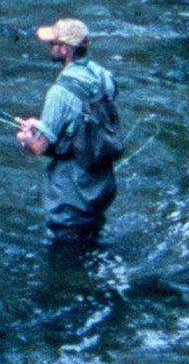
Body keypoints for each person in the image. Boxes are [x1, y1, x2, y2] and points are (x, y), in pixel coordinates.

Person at [16, 17, 123, 249]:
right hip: (102, 182)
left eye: (53, 42)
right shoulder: (103, 75)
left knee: (68, 249)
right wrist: (45, 123)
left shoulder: (59, 92)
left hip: (73, 191)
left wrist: (25, 138)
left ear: (65, 48)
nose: (49, 46)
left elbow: (39, 147)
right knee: (91, 237)